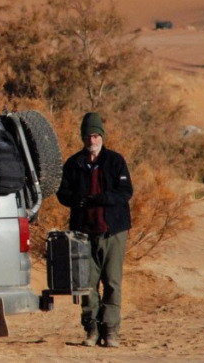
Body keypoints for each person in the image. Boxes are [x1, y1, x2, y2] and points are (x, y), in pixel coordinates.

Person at [56, 112, 133, 348]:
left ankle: (110, 331)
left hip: (113, 232)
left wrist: (102, 198)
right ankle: (91, 330)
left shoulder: (116, 161)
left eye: (97, 134)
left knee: (112, 283)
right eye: (89, 135)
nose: (93, 139)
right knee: (87, 284)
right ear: (83, 137)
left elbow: (125, 192)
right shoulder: (73, 163)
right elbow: (62, 194)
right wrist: (77, 199)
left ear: (102, 136)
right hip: (83, 235)